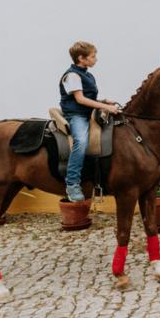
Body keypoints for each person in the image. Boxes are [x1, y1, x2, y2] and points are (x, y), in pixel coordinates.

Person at [59, 41, 120, 202]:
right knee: (81, 141)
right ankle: (72, 184)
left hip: (89, 113)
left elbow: (88, 97)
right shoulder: (72, 75)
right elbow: (80, 99)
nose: (96, 59)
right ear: (81, 58)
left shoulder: (87, 74)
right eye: (93, 56)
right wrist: (104, 107)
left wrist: (103, 101)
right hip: (77, 115)